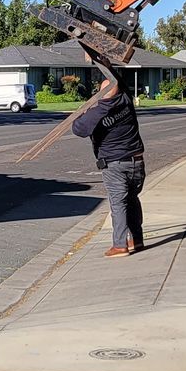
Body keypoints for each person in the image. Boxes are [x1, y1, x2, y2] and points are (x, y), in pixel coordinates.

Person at [72, 73, 145, 256]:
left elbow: (78, 128)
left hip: (115, 165)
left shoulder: (96, 113)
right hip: (137, 162)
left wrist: (85, 110)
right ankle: (136, 239)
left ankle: (120, 245)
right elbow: (118, 79)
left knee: (118, 204)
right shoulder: (126, 101)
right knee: (132, 199)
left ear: (101, 93)